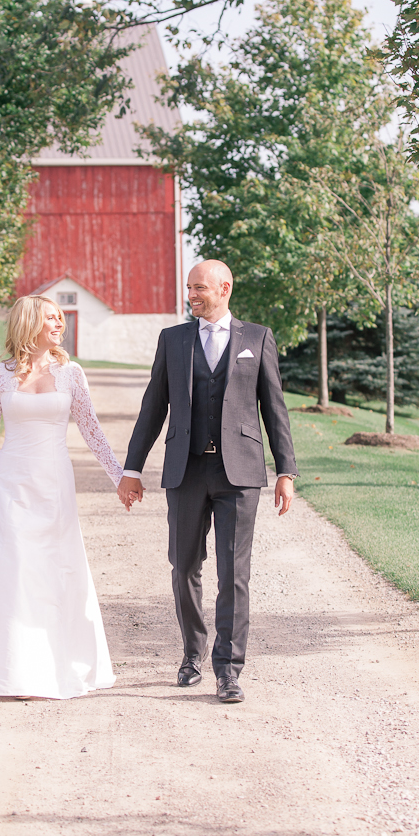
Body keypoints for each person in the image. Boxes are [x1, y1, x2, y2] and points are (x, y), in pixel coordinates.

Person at [117, 260, 298, 704]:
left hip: (239, 474)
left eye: (199, 288)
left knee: (234, 573)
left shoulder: (256, 338)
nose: (192, 295)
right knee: (183, 567)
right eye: (189, 288)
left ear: (224, 288)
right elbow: (152, 407)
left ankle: (229, 669)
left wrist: (286, 471)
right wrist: (132, 468)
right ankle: (192, 654)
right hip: (186, 469)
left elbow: (275, 409)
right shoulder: (173, 340)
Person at [0, 295, 123, 700]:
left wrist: (120, 476)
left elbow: (91, 430)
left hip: (54, 485)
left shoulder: (71, 373)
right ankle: (13, 672)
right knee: (14, 571)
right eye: (52, 317)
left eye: (61, 318)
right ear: (30, 323)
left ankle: (54, 668)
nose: (59, 324)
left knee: (55, 570)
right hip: (12, 484)